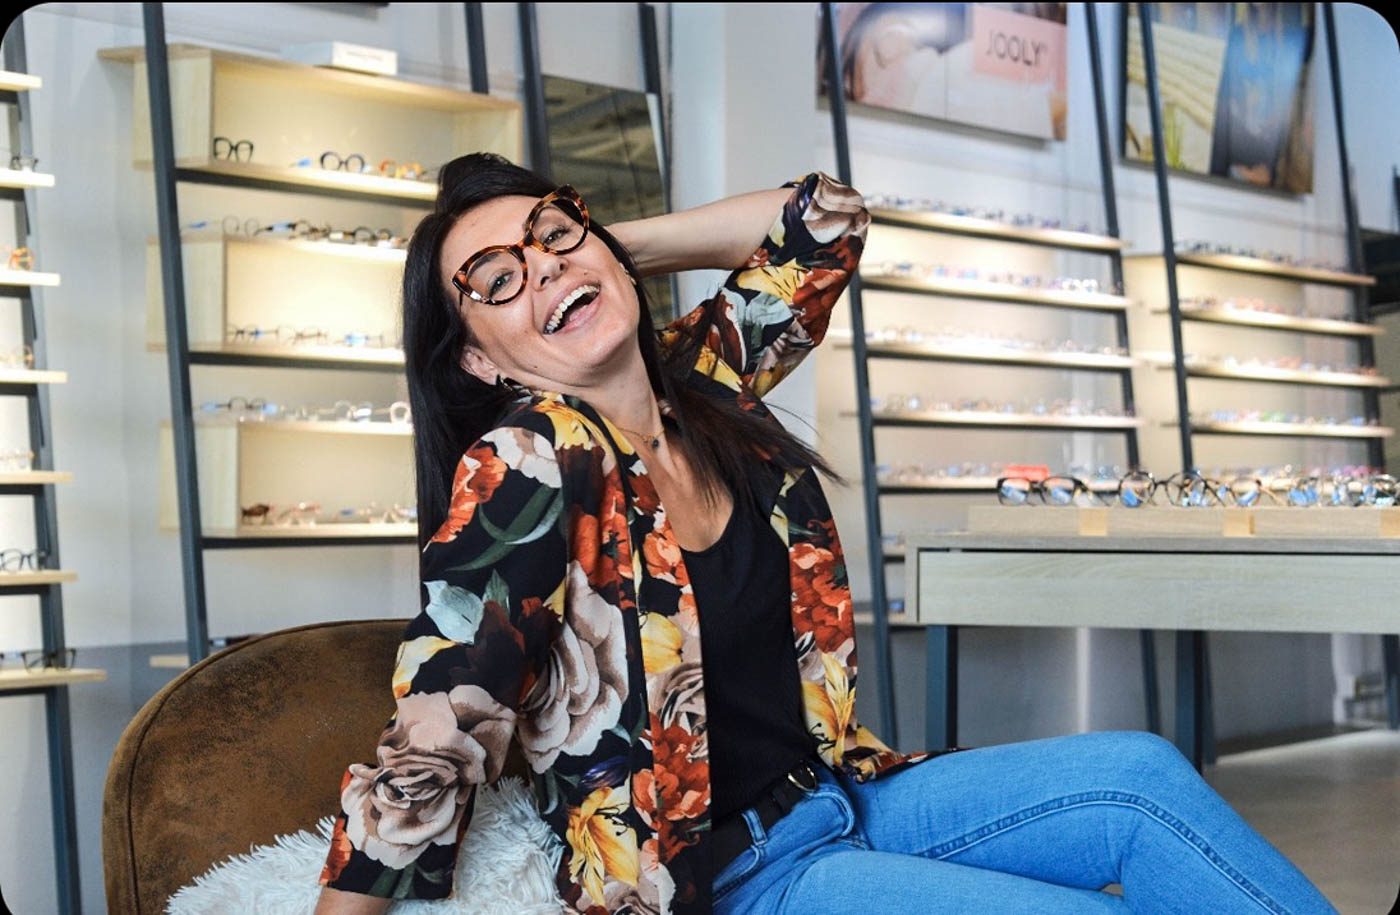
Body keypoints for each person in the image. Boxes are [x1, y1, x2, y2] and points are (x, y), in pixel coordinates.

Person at [314, 153, 1335, 914]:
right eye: (493, 280)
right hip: (727, 883)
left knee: (1139, 775)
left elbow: (821, 220)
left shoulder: (703, 388)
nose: (538, 273)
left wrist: (595, 252)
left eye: (551, 236)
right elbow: (438, 722)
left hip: (847, 797)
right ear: (481, 362)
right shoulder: (528, 463)